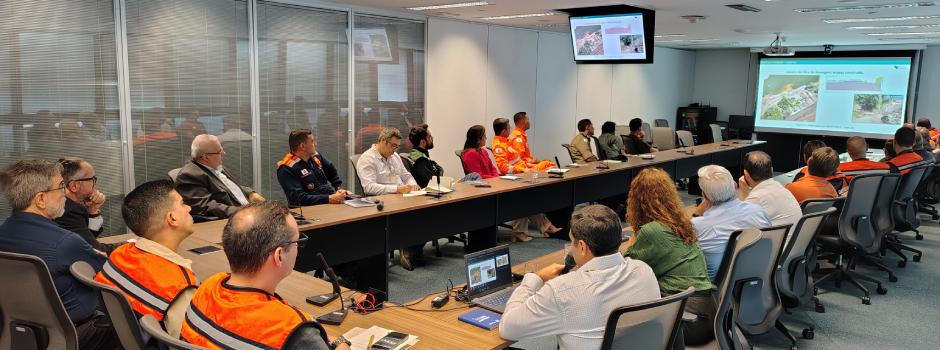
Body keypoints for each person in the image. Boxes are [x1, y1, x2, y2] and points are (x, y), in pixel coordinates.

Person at [181, 201, 350, 350]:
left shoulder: (208, 287)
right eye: (298, 242)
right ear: (279, 256)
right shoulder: (293, 329)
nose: (298, 248)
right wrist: (340, 343)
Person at [499, 205, 659, 349]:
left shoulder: (562, 291)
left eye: (572, 242)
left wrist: (536, 278)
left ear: (582, 247)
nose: (570, 250)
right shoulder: (644, 271)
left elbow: (508, 328)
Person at [0, 160, 118, 349]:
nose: (65, 193)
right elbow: (113, 270)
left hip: (19, 335)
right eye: (60, 187)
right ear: (41, 199)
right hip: (78, 334)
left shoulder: (3, 233)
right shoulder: (64, 242)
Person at [623, 168, 714, 345]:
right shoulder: (680, 223)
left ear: (637, 200)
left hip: (686, 321)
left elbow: (626, 266)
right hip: (707, 312)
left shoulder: (652, 231)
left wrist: (633, 238)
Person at [95, 180, 197, 321]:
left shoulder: (120, 254)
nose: (189, 208)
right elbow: (185, 339)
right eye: (182, 203)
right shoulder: (180, 285)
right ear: (172, 218)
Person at [461, 125, 563, 242]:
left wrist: (497, 178)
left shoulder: (483, 151)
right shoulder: (470, 154)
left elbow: (493, 168)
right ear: (478, 139)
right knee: (520, 199)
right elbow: (478, 176)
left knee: (525, 196)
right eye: (483, 136)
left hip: (494, 183)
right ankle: (532, 230)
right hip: (485, 189)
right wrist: (496, 179)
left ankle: (542, 228)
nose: (485, 138)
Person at [355, 127, 424, 270]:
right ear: (382, 141)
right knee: (413, 215)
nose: (395, 150)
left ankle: (409, 247)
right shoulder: (367, 159)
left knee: (426, 212)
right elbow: (369, 188)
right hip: (382, 201)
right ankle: (407, 248)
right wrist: (397, 189)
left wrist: (413, 185)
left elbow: (406, 175)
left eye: (397, 146)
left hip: (402, 196)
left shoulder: (394, 156)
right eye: (393, 145)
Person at [692, 165, 771, 279]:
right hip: (756, 279)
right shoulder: (757, 211)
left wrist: (698, 211)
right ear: (734, 185)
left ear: (704, 195)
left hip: (715, 290)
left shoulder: (698, 226)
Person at [176, 134, 264, 220]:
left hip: (248, 212)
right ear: (205, 157)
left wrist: (250, 193)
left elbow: (229, 187)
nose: (224, 153)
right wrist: (245, 211)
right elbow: (206, 207)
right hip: (232, 219)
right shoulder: (189, 175)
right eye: (219, 152)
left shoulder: (216, 167)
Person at [56, 158, 118, 254]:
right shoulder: (70, 210)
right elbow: (94, 251)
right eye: (92, 179)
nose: (95, 183)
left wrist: (93, 210)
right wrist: (128, 246)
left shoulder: (65, 205)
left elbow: (86, 240)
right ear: (74, 186)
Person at [276, 129, 349, 206]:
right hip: (308, 211)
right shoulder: (286, 168)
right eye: (312, 141)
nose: (316, 144)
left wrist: (339, 188)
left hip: (327, 203)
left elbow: (330, 169)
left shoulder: (315, 156)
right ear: (303, 146)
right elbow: (298, 199)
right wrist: (329, 198)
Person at [737, 151, 802, 228]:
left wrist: (743, 191)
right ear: (771, 170)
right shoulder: (781, 189)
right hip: (795, 238)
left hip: (780, 239)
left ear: (746, 174)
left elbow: (737, 224)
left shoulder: (757, 198)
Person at [405, 124, 443, 188]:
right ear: (422, 142)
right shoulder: (420, 160)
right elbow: (430, 183)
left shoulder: (419, 154)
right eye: (429, 137)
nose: (432, 138)